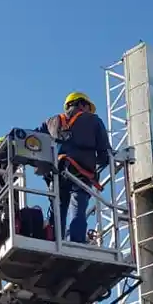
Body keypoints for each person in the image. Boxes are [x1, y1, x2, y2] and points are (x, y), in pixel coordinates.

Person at [39, 91, 111, 243]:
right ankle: (76, 241)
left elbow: (35, 139)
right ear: (82, 104)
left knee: (57, 207)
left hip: (56, 172)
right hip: (81, 173)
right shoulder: (94, 121)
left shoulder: (51, 121)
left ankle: (54, 239)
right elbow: (104, 152)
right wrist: (99, 166)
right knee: (78, 207)